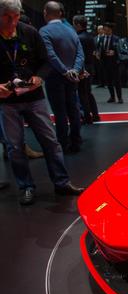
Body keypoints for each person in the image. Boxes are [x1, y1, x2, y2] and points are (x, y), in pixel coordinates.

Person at [0, 0, 84, 205]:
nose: (13, 21)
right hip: (6, 102)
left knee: (51, 142)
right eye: (7, 17)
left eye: (16, 16)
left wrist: (40, 77)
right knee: (15, 147)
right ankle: (26, 187)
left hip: (34, 98)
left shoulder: (29, 32)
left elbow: (46, 61)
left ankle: (62, 183)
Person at [39, 1, 84, 153]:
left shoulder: (44, 31)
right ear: (60, 13)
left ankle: (63, 144)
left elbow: (50, 55)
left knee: (60, 113)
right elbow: (80, 54)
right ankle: (76, 142)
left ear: (46, 13)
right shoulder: (71, 30)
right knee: (74, 110)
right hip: (72, 77)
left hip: (55, 77)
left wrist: (64, 71)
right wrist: (75, 70)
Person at [72, 15, 99, 124]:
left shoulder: (78, 37)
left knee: (82, 93)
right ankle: (95, 115)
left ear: (78, 25)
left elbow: (79, 55)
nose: (73, 26)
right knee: (88, 92)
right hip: (90, 66)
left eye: (74, 24)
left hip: (83, 68)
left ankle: (87, 117)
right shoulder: (90, 36)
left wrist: (81, 70)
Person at [99, 22, 122, 103]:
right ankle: (112, 97)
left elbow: (120, 50)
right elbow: (99, 48)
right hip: (105, 62)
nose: (105, 31)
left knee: (117, 81)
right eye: (104, 30)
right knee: (108, 81)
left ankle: (119, 98)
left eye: (107, 30)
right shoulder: (101, 38)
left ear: (111, 30)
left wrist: (114, 52)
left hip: (114, 62)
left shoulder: (117, 38)